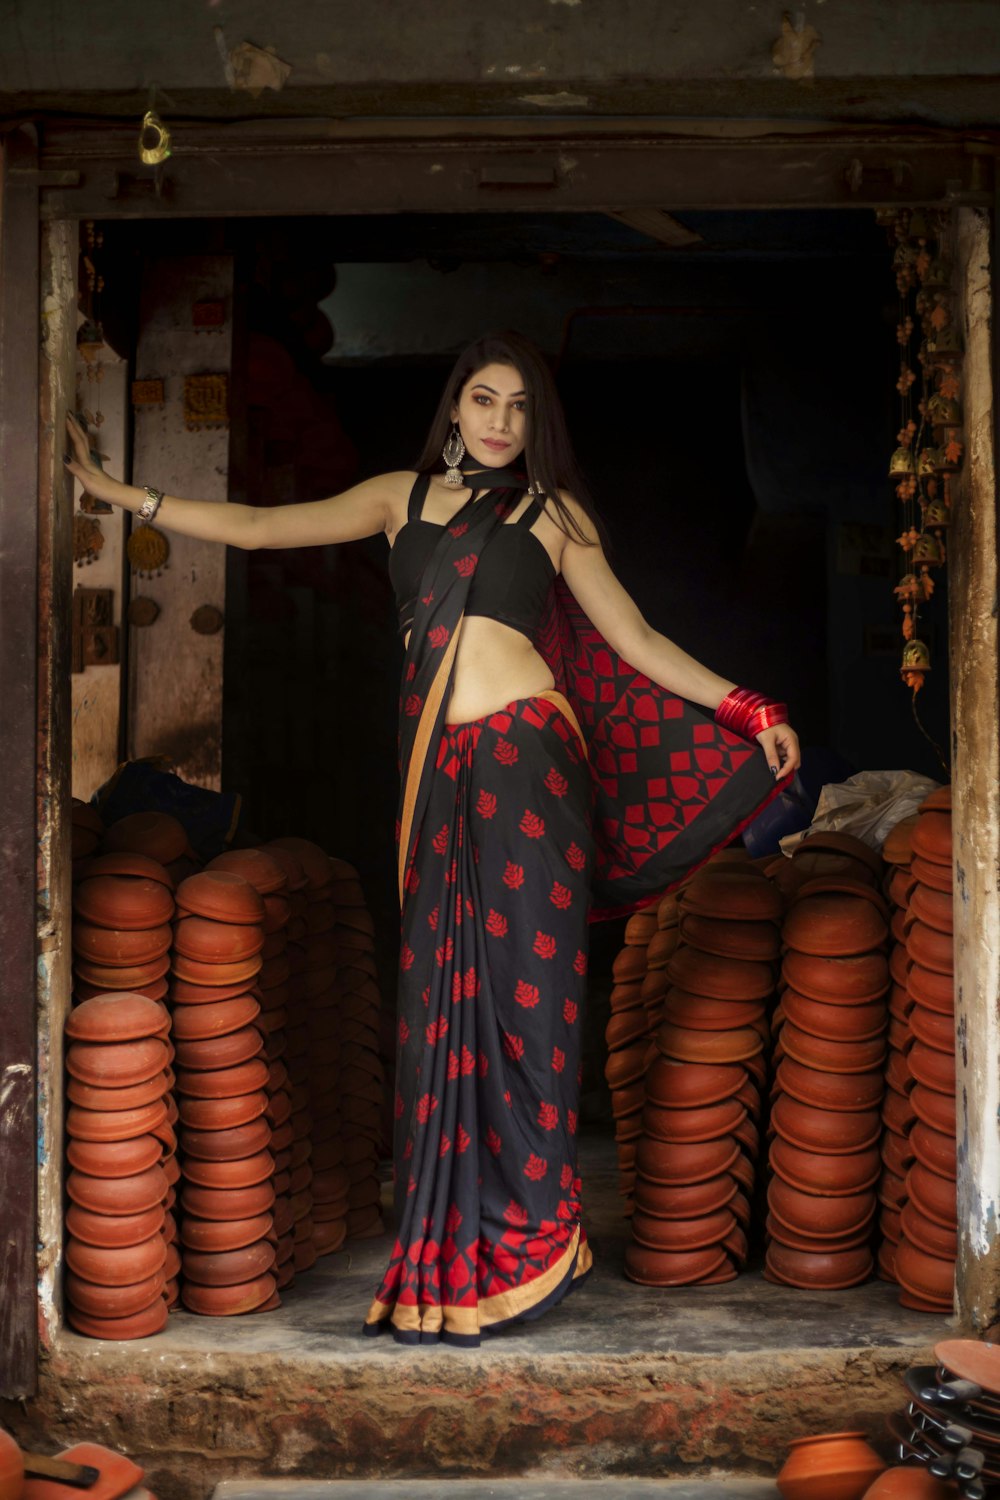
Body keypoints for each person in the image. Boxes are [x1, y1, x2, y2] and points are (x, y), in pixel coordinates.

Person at [65, 329, 800, 1348]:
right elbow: (259, 526)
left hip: (534, 764)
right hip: (439, 774)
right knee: (439, 1000)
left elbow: (635, 640)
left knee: (529, 1001)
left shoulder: (554, 516)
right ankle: (454, 1238)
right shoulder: (396, 499)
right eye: (483, 401)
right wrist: (126, 495)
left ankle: (536, 1239)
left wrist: (747, 708)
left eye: (518, 409)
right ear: (453, 408)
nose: (499, 423)